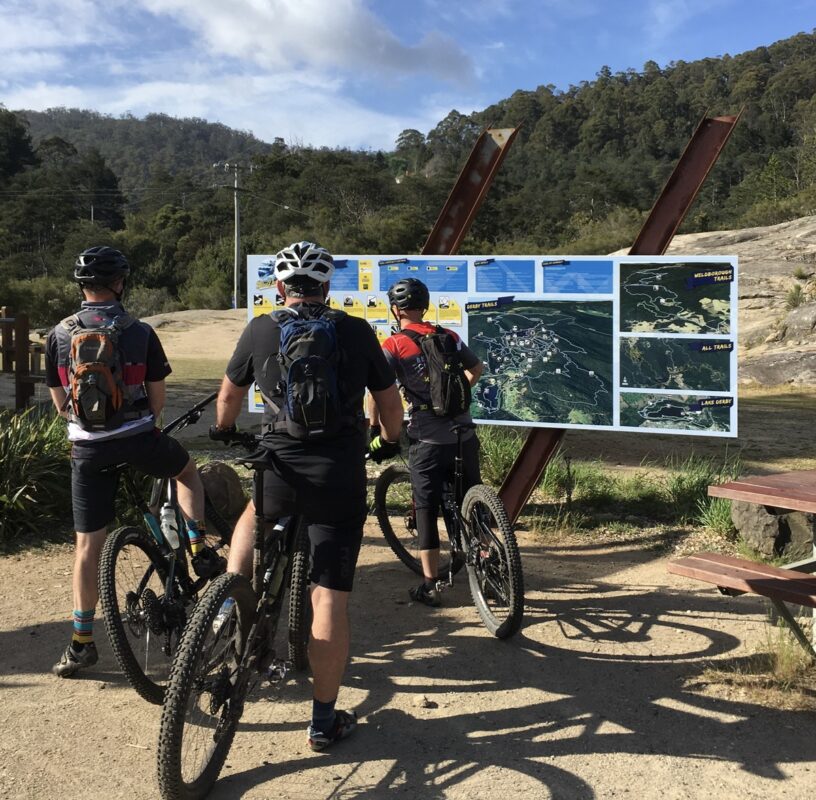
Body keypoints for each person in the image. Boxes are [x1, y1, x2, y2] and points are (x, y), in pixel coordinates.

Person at [209, 241, 403, 751]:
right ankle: (322, 721)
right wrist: (387, 441)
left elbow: (228, 398)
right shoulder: (356, 330)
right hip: (338, 472)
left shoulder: (261, 328)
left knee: (253, 514)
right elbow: (390, 405)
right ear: (327, 287)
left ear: (280, 288)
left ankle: (232, 597)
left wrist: (225, 430)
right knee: (328, 597)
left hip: (280, 463)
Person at [45, 246, 213, 678]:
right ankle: (196, 546)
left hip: (86, 449)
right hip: (138, 439)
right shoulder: (139, 332)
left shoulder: (59, 334)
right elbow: (156, 402)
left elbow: (61, 403)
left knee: (88, 545)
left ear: (82, 286)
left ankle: (81, 642)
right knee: (186, 471)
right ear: (120, 283)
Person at [369, 277, 483, 607]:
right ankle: (490, 560)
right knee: (471, 501)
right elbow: (477, 367)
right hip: (464, 433)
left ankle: (431, 584)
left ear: (395, 310)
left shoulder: (393, 345)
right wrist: (453, 396)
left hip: (428, 439)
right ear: (426, 307)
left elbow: (378, 391)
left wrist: (374, 427)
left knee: (426, 508)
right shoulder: (447, 336)